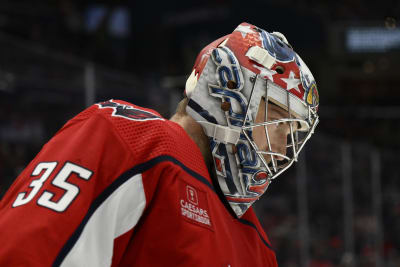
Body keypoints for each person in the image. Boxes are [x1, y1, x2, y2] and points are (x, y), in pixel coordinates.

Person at [0, 22, 319, 266]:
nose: (281, 147)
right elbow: (24, 252)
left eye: (291, 133)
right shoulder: (128, 138)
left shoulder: (258, 246)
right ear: (227, 93)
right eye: (277, 120)